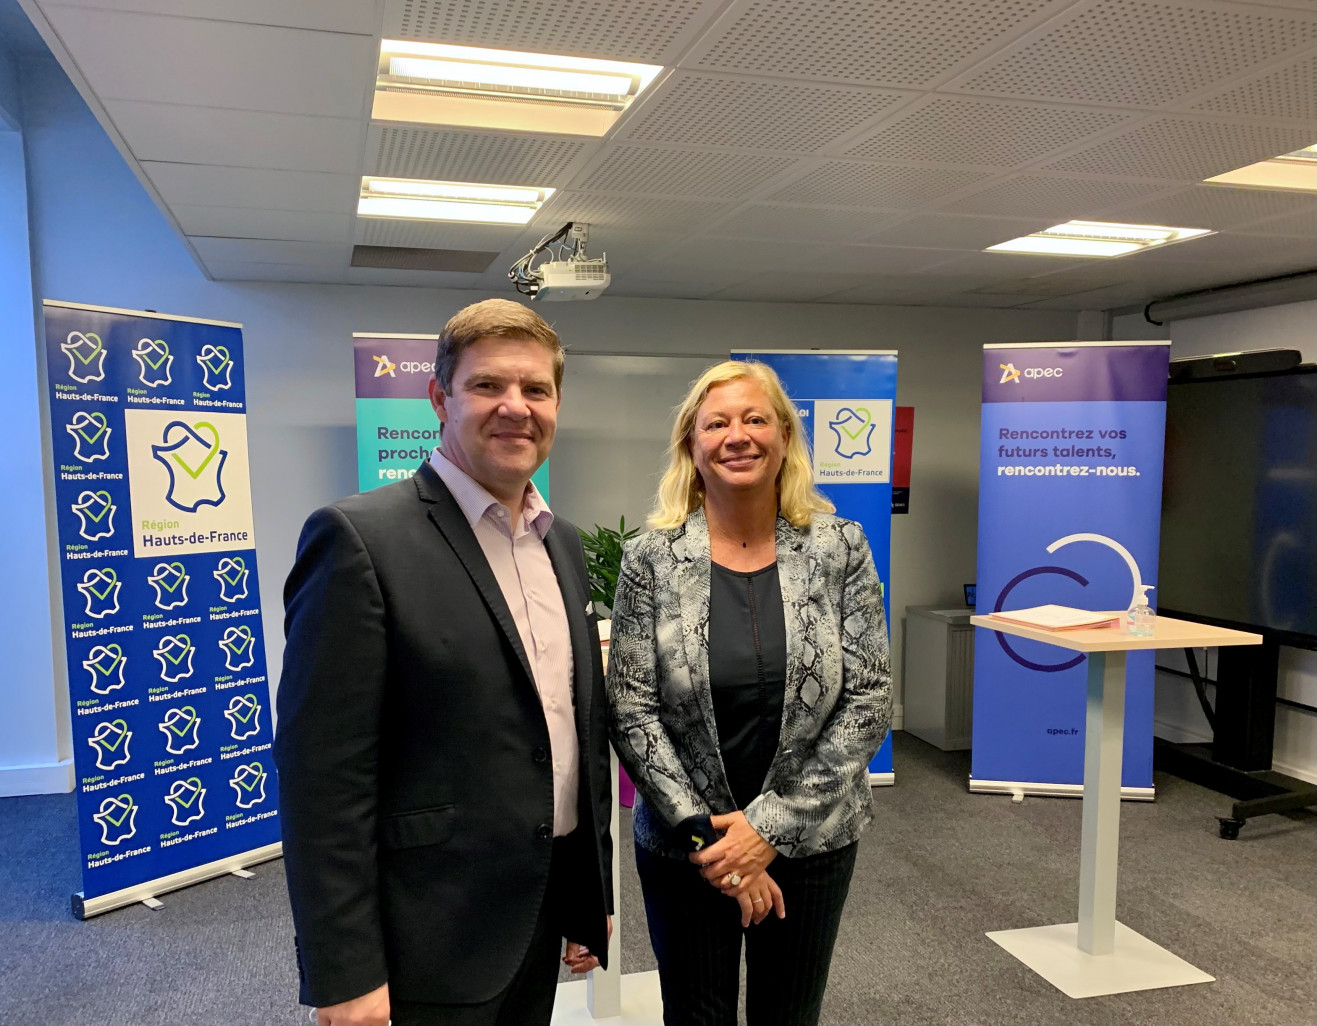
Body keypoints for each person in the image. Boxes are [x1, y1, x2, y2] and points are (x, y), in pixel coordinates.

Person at [275, 299, 613, 1026]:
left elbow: (573, 730)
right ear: (439, 398)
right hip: (425, 936)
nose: (515, 408)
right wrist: (344, 972)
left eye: (536, 389)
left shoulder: (564, 545)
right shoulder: (358, 540)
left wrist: (590, 895)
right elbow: (322, 779)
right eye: (488, 385)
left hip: (537, 911)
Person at [606, 360, 891, 1026]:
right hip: (686, 847)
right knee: (695, 1016)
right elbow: (630, 709)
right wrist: (713, 840)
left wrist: (767, 829)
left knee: (787, 1016)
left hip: (814, 836)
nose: (737, 435)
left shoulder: (839, 546)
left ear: (785, 437)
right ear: (692, 446)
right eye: (717, 423)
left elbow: (868, 696)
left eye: (754, 418)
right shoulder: (651, 556)